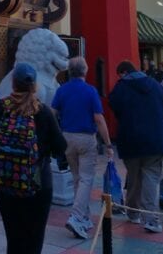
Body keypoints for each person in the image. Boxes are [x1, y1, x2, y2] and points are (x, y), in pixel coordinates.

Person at [0, 61, 67, 254]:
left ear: (13, 83)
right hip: (38, 182)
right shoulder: (43, 111)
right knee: (34, 239)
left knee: (14, 237)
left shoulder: (1, 107)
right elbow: (61, 146)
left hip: (5, 181)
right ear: (34, 85)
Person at [52, 55, 114, 240]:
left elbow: (52, 112)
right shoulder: (90, 91)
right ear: (85, 71)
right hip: (86, 138)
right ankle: (77, 216)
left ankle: (84, 216)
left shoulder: (62, 90)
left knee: (78, 178)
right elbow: (99, 119)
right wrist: (108, 143)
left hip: (67, 137)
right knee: (86, 179)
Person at [109, 59, 163, 233]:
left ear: (122, 73)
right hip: (156, 139)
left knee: (133, 176)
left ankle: (133, 213)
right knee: (151, 178)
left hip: (130, 139)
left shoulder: (121, 87)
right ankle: (151, 219)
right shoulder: (155, 85)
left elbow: (114, 106)